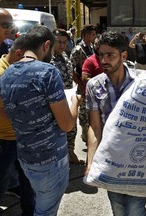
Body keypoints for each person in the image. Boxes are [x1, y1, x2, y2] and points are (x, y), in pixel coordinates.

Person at [84, 31, 146, 216]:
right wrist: (91, 161)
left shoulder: (142, 81)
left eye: (110, 55)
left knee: (135, 208)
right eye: (101, 55)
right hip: (112, 159)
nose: (104, 60)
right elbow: (95, 126)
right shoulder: (94, 85)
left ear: (123, 56)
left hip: (139, 160)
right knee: (118, 207)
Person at [0, 25, 81, 216]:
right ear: (46, 45)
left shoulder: (5, 75)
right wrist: (75, 102)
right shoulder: (47, 72)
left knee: (38, 204)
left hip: (26, 157)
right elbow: (67, 125)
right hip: (50, 161)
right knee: (46, 211)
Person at [0, 34, 35, 216]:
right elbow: (8, 114)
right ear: (18, 53)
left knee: (27, 183)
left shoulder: (16, 70)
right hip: (1, 141)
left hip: (18, 137)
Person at [51, 28, 84, 164]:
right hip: (56, 100)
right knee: (59, 129)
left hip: (69, 97)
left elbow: (71, 74)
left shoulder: (65, 56)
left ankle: (70, 152)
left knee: (72, 127)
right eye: (59, 42)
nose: (62, 45)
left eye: (64, 42)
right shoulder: (48, 59)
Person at [70, 24, 96, 143]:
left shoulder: (92, 48)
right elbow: (71, 69)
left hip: (92, 86)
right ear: (86, 35)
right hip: (83, 86)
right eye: (93, 35)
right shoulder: (78, 50)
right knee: (84, 113)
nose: (95, 37)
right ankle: (85, 135)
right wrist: (80, 84)